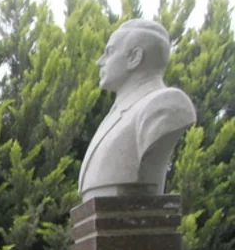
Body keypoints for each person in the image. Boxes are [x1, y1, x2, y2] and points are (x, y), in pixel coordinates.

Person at [79, 18, 197, 201]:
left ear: (134, 57)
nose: (99, 62)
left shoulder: (165, 105)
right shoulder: (119, 111)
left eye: (109, 52)